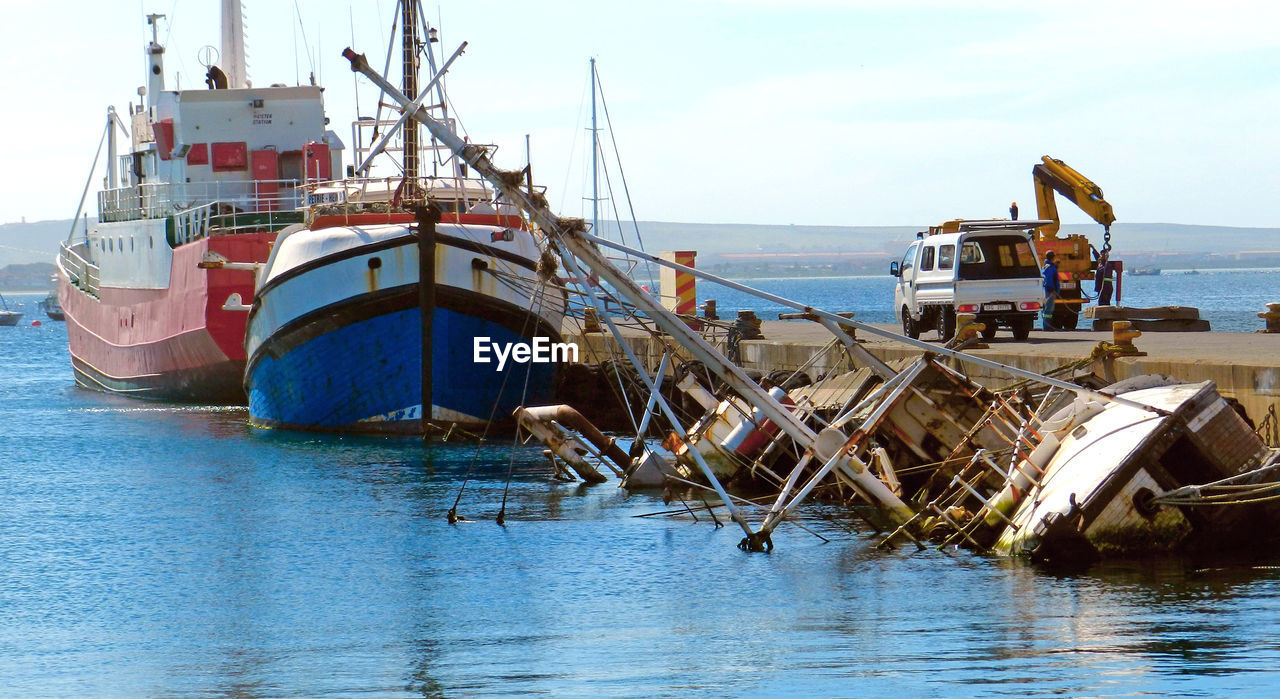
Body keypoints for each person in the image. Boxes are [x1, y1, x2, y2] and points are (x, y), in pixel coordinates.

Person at [1041, 251, 1060, 330]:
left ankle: (1046, 325)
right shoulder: (1050, 267)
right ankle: (1047, 327)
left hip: (1046, 290)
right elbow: (1049, 279)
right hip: (1049, 291)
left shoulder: (1046, 266)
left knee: (1046, 309)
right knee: (1048, 309)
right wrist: (1052, 289)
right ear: (1053, 257)